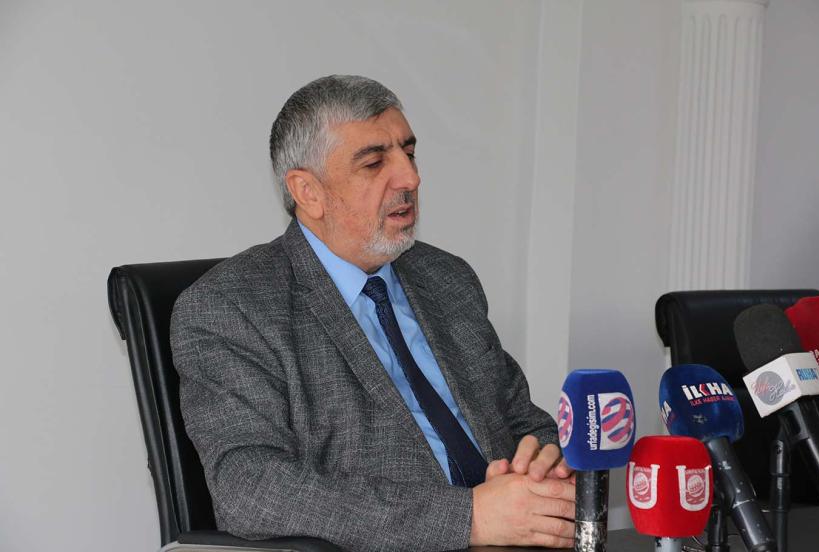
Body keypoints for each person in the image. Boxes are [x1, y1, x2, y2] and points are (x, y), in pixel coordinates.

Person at [171, 75, 575, 552]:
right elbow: (252, 490)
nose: (410, 178)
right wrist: (467, 518)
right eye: (374, 162)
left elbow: (522, 419)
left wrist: (543, 464)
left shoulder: (446, 278)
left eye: (409, 153)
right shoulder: (231, 306)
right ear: (308, 191)